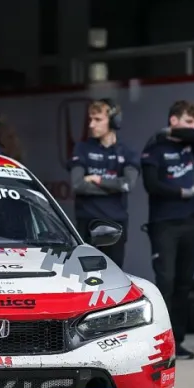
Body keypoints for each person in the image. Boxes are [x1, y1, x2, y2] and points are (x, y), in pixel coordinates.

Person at [140, 100, 194, 360]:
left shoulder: (189, 144)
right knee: (166, 282)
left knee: (184, 283)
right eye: (188, 121)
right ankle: (161, 342)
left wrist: (183, 133)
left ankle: (177, 341)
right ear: (173, 120)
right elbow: (151, 185)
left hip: (190, 221)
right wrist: (183, 192)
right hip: (164, 224)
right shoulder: (154, 147)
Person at [67, 99, 139, 267]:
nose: (91, 125)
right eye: (90, 119)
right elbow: (78, 185)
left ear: (114, 121)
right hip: (87, 222)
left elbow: (128, 184)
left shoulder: (127, 152)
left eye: (98, 119)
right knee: (86, 279)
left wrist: (97, 179)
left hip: (115, 224)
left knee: (114, 277)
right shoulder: (81, 148)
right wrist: (113, 186)